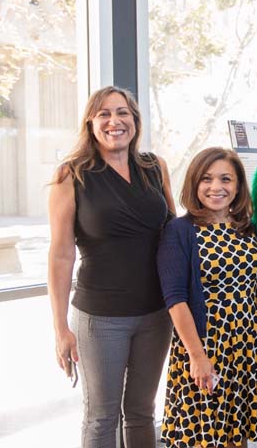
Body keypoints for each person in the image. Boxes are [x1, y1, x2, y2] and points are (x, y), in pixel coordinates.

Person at [47, 85, 176, 447]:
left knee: (141, 412)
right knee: (101, 417)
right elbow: (60, 255)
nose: (114, 121)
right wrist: (60, 328)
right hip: (100, 318)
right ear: (90, 122)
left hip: (156, 314)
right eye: (104, 113)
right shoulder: (71, 175)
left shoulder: (155, 167)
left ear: (135, 120)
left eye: (122, 112)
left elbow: (173, 235)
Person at [157, 147, 257, 448]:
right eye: (206, 179)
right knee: (206, 434)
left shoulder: (248, 228)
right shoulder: (180, 231)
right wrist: (197, 356)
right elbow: (176, 299)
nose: (216, 187)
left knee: (237, 431)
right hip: (206, 346)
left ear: (237, 186)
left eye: (226, 179)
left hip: (247, 346)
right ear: (195, 184)